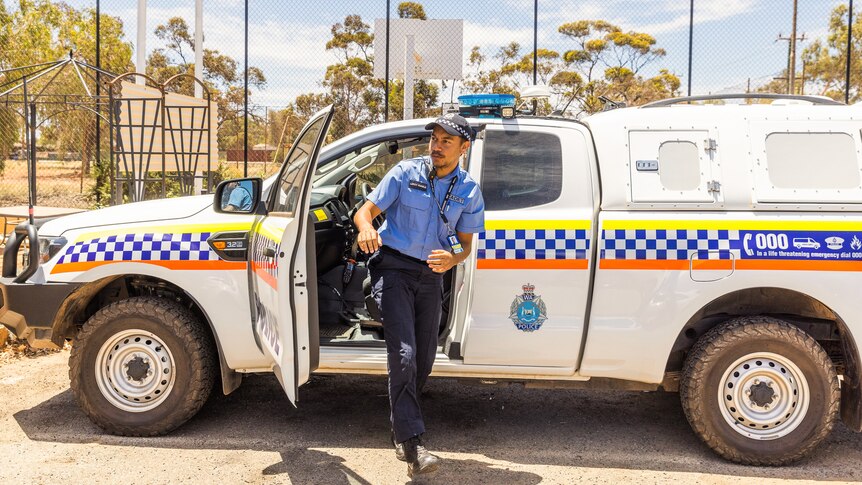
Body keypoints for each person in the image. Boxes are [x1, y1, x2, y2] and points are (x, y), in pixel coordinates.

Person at [353, 113, 485, 478]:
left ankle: (401, 422)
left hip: (431, 275)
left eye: (446, 141)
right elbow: (365, 212)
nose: (437, 146)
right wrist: (366, 229)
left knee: (424, 357)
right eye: (435, 139)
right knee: (404, 354)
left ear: (463, 148)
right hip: (393, 268)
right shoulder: (404, 173)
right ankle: (413, 445)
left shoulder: (470, 190)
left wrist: (453, 256)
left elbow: (466, 246)